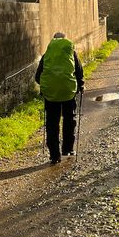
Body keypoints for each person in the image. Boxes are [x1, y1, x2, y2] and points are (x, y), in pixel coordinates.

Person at [35, 32, 84, 165]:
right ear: (65, 40)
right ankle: (67, 149)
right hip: (68, 92)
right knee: (69, 120)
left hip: (51, 96)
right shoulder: (71, 54)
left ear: (53, 41)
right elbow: (79, 72)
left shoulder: (46, 56)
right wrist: (80, 86)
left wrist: (47, 87)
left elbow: (37, 77)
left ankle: (54, 156)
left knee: (52, 124)